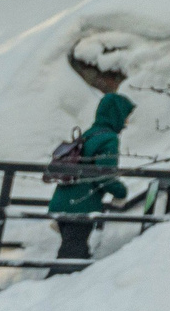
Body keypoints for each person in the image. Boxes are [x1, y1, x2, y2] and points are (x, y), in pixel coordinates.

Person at [47, 91, 134, 274]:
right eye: (125, 116)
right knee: (70, 262)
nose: (126, 123)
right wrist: (121, 193)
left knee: (77, 255)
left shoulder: (90, 133)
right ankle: (45, 297)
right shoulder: (109, 138)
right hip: (80, 205)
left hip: (63, 200)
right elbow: (104, 175)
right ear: (116, 114)